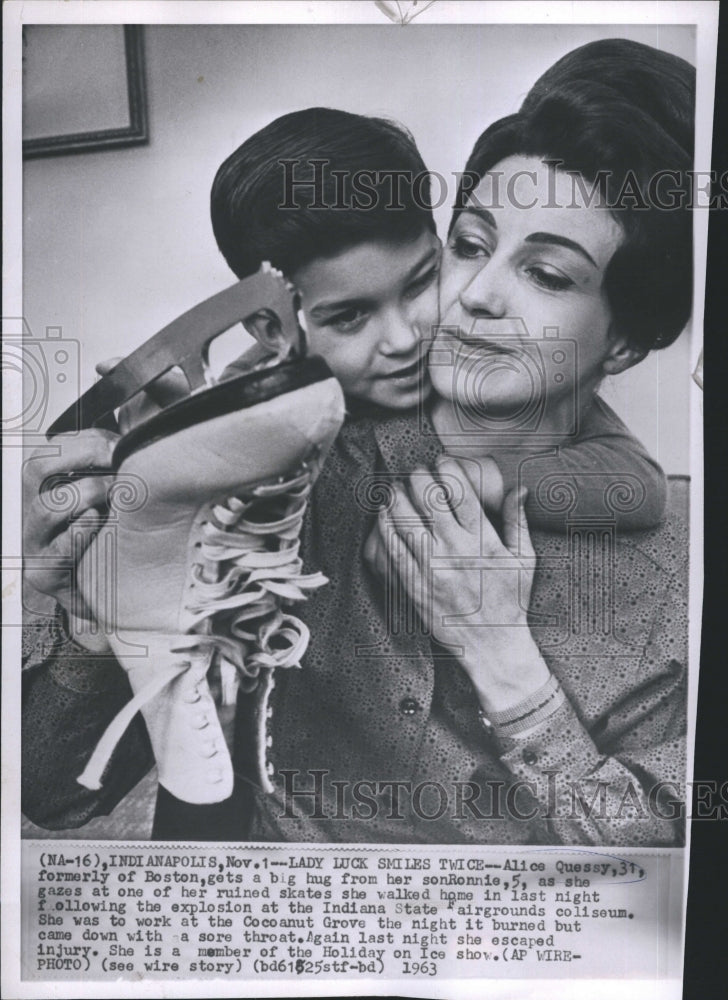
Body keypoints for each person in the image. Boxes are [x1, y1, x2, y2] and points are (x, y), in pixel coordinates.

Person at [21, 39, 691, 842]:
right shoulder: (295, 457)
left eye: (547, 275)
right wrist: (89, 607)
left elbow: (658, 896)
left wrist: (510, 671)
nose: (473, 296)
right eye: (471, 246)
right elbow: (52, 795)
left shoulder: (674, 578)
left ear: (628, 341)